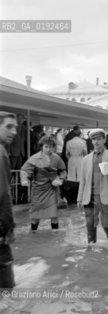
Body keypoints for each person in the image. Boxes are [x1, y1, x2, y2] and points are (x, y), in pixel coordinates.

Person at [77, 129, 108, 244]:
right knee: (90, 225)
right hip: (89, 197)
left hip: (106, 196)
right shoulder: (85, 159)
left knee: (107, 224)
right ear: (91, 141)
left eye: (98, 139)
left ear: (104, 139)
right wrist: (79, 198)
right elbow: (82, 180)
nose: (96, 142)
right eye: (93, 139)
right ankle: (90, 252)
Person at [20, 136, 66, 232]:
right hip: (38, 191)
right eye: (46, 147)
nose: (48, 149)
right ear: (41, 146)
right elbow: (24, 171)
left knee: (54, 214)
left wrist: (60, 180)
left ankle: (55, 236)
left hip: (51, 189)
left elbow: (63, 171)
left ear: (54, 147)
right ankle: (33, 234)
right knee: (35, 216)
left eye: (51, 147)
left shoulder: (56, 158)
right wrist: (24, 180)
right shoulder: (34, 158)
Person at [0, 112, 18, 289]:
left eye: (16, 128)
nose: (14, 132)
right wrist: (8, 228)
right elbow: (3, 195)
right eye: (8, 127)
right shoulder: (1, 153)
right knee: (7, 290)